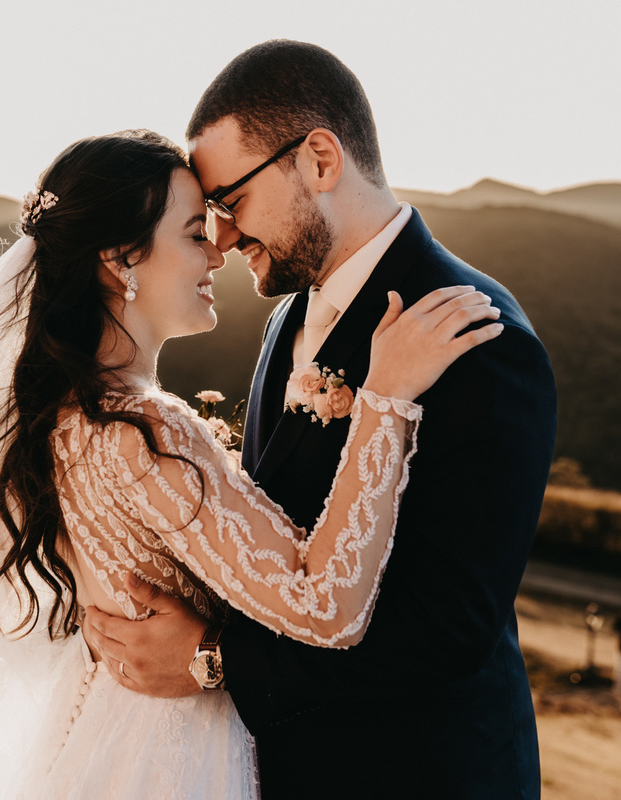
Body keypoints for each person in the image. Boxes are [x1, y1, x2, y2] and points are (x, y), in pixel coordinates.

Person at [0, 129, 503, 799]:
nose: (219, 250)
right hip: (169, 759)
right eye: (194, 232)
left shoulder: (54, 416)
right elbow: (325, 604)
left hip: (88, 733)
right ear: (119, 258)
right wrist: (385, 404)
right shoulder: (144, 431)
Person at [84, 41, 557, 798]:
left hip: (417, 774)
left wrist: (212, 660)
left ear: (320, 161)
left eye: (230, 201)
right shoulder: (288, 316)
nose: (222, 237)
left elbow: (447, 631)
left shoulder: (476, 336)